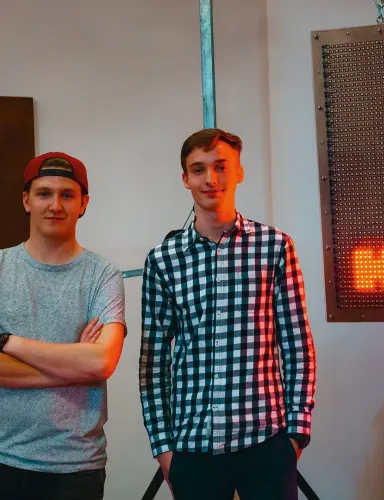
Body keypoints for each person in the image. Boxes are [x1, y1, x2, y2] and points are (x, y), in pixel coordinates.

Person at [140, 128, 316, 500]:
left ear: (239, 172)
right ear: (185, 178)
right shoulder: (163, 260)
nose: (211, 179)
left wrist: (296, 435)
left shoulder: (275, 246)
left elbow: (298, 344)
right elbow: (153, 361)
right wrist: (163, 448)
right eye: (199, 169)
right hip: (192, 448)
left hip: (266, 443)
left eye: (221, 167)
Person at [0, 152, 126, 500]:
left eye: (67, 195)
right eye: (44, 193)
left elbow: (102, 362)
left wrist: (7, 341)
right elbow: (89, 364)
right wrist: (75, 363)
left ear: (83, 203)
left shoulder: (104, 275)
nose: (55, 204)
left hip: (76, 468)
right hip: (4, 460)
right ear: (26, 200)